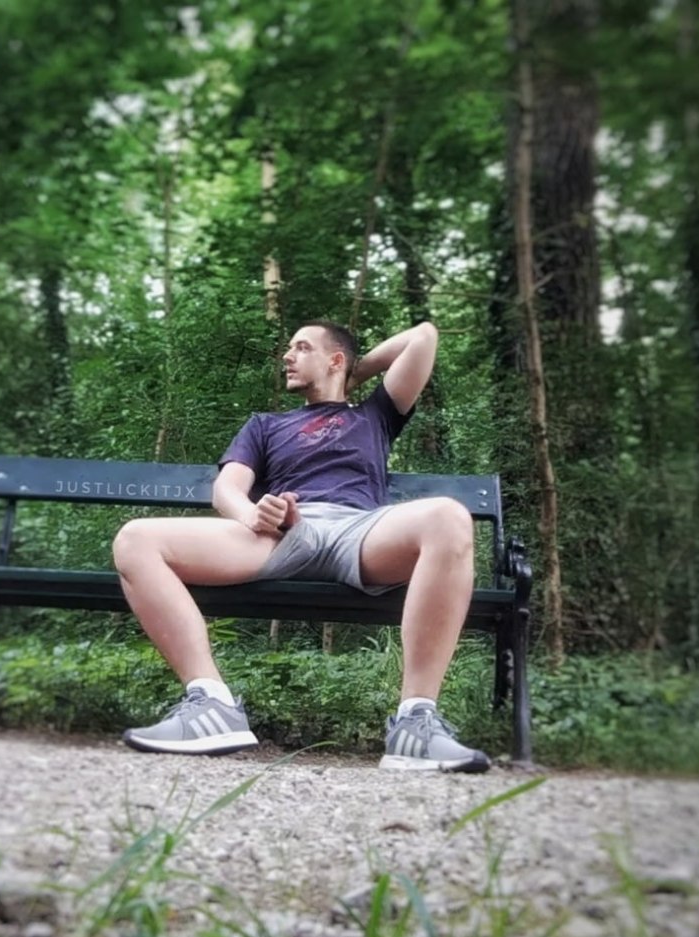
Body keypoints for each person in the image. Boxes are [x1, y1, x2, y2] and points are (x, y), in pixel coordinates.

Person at [112, 319, 490, 773]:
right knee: (136, 539)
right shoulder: (265, 425)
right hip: (281, 534)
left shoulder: (375, 415)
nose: (287, 356)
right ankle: (211, 704)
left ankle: (415, 723)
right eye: (289, 348)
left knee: (448, 517)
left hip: (360, 532)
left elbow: (423, 336)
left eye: (302, 347)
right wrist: (252, 515)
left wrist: (350, 373)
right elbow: (227, 489)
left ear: (335, 360)